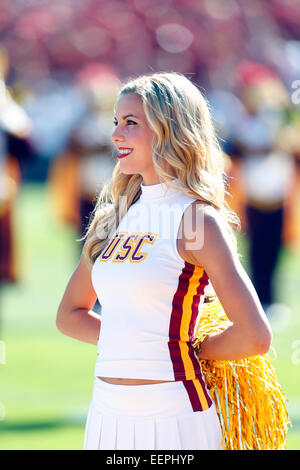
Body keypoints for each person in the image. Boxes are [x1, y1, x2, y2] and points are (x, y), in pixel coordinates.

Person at [56, 72, 272, 451]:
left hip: (175, 410)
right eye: (116, 122)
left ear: (168, 129)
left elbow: (254, 336)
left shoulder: (196, 221)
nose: (116, 135)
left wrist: (184, 348)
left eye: (131, 123)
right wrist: (129, 342)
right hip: (106, 410)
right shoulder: (113, 217)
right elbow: (70, 314)